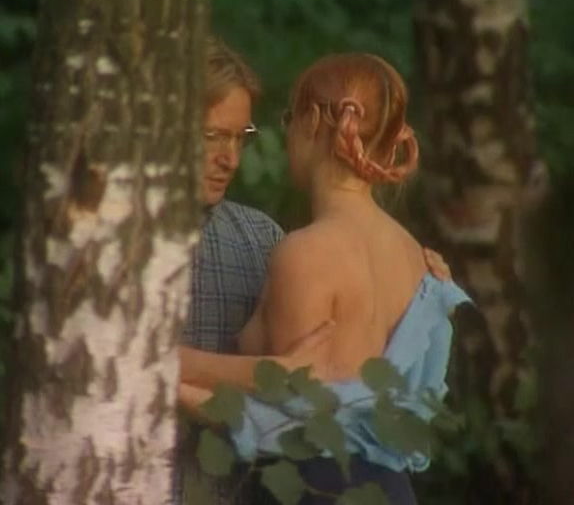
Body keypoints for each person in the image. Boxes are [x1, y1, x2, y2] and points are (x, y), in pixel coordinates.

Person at [179, 52, 470, 504]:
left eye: (289, 119)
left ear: (313, 121)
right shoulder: (419, 259)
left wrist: (164, 374)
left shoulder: (303, 252)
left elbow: (281, 420)